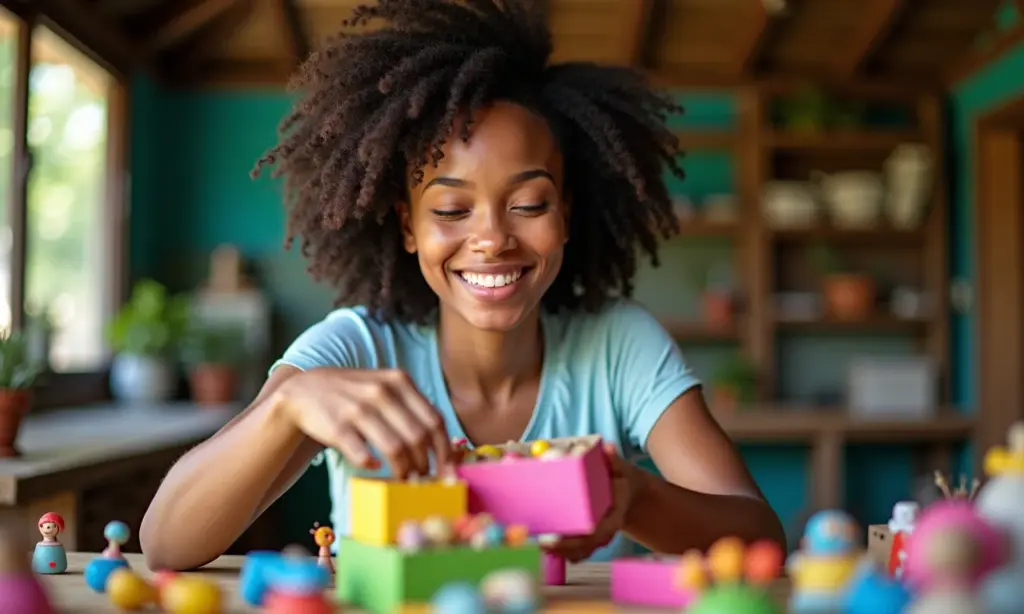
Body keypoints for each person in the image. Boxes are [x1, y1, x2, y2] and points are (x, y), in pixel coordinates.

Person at [140, 0, 784, 571]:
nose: (492, 239)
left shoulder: (620, 346)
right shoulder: (352, 349)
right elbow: (166, 545)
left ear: (568, 216)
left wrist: (635, 497)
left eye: (529, 204)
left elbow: (761, 540)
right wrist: (286, 407)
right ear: (409, 226)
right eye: (451, 210)